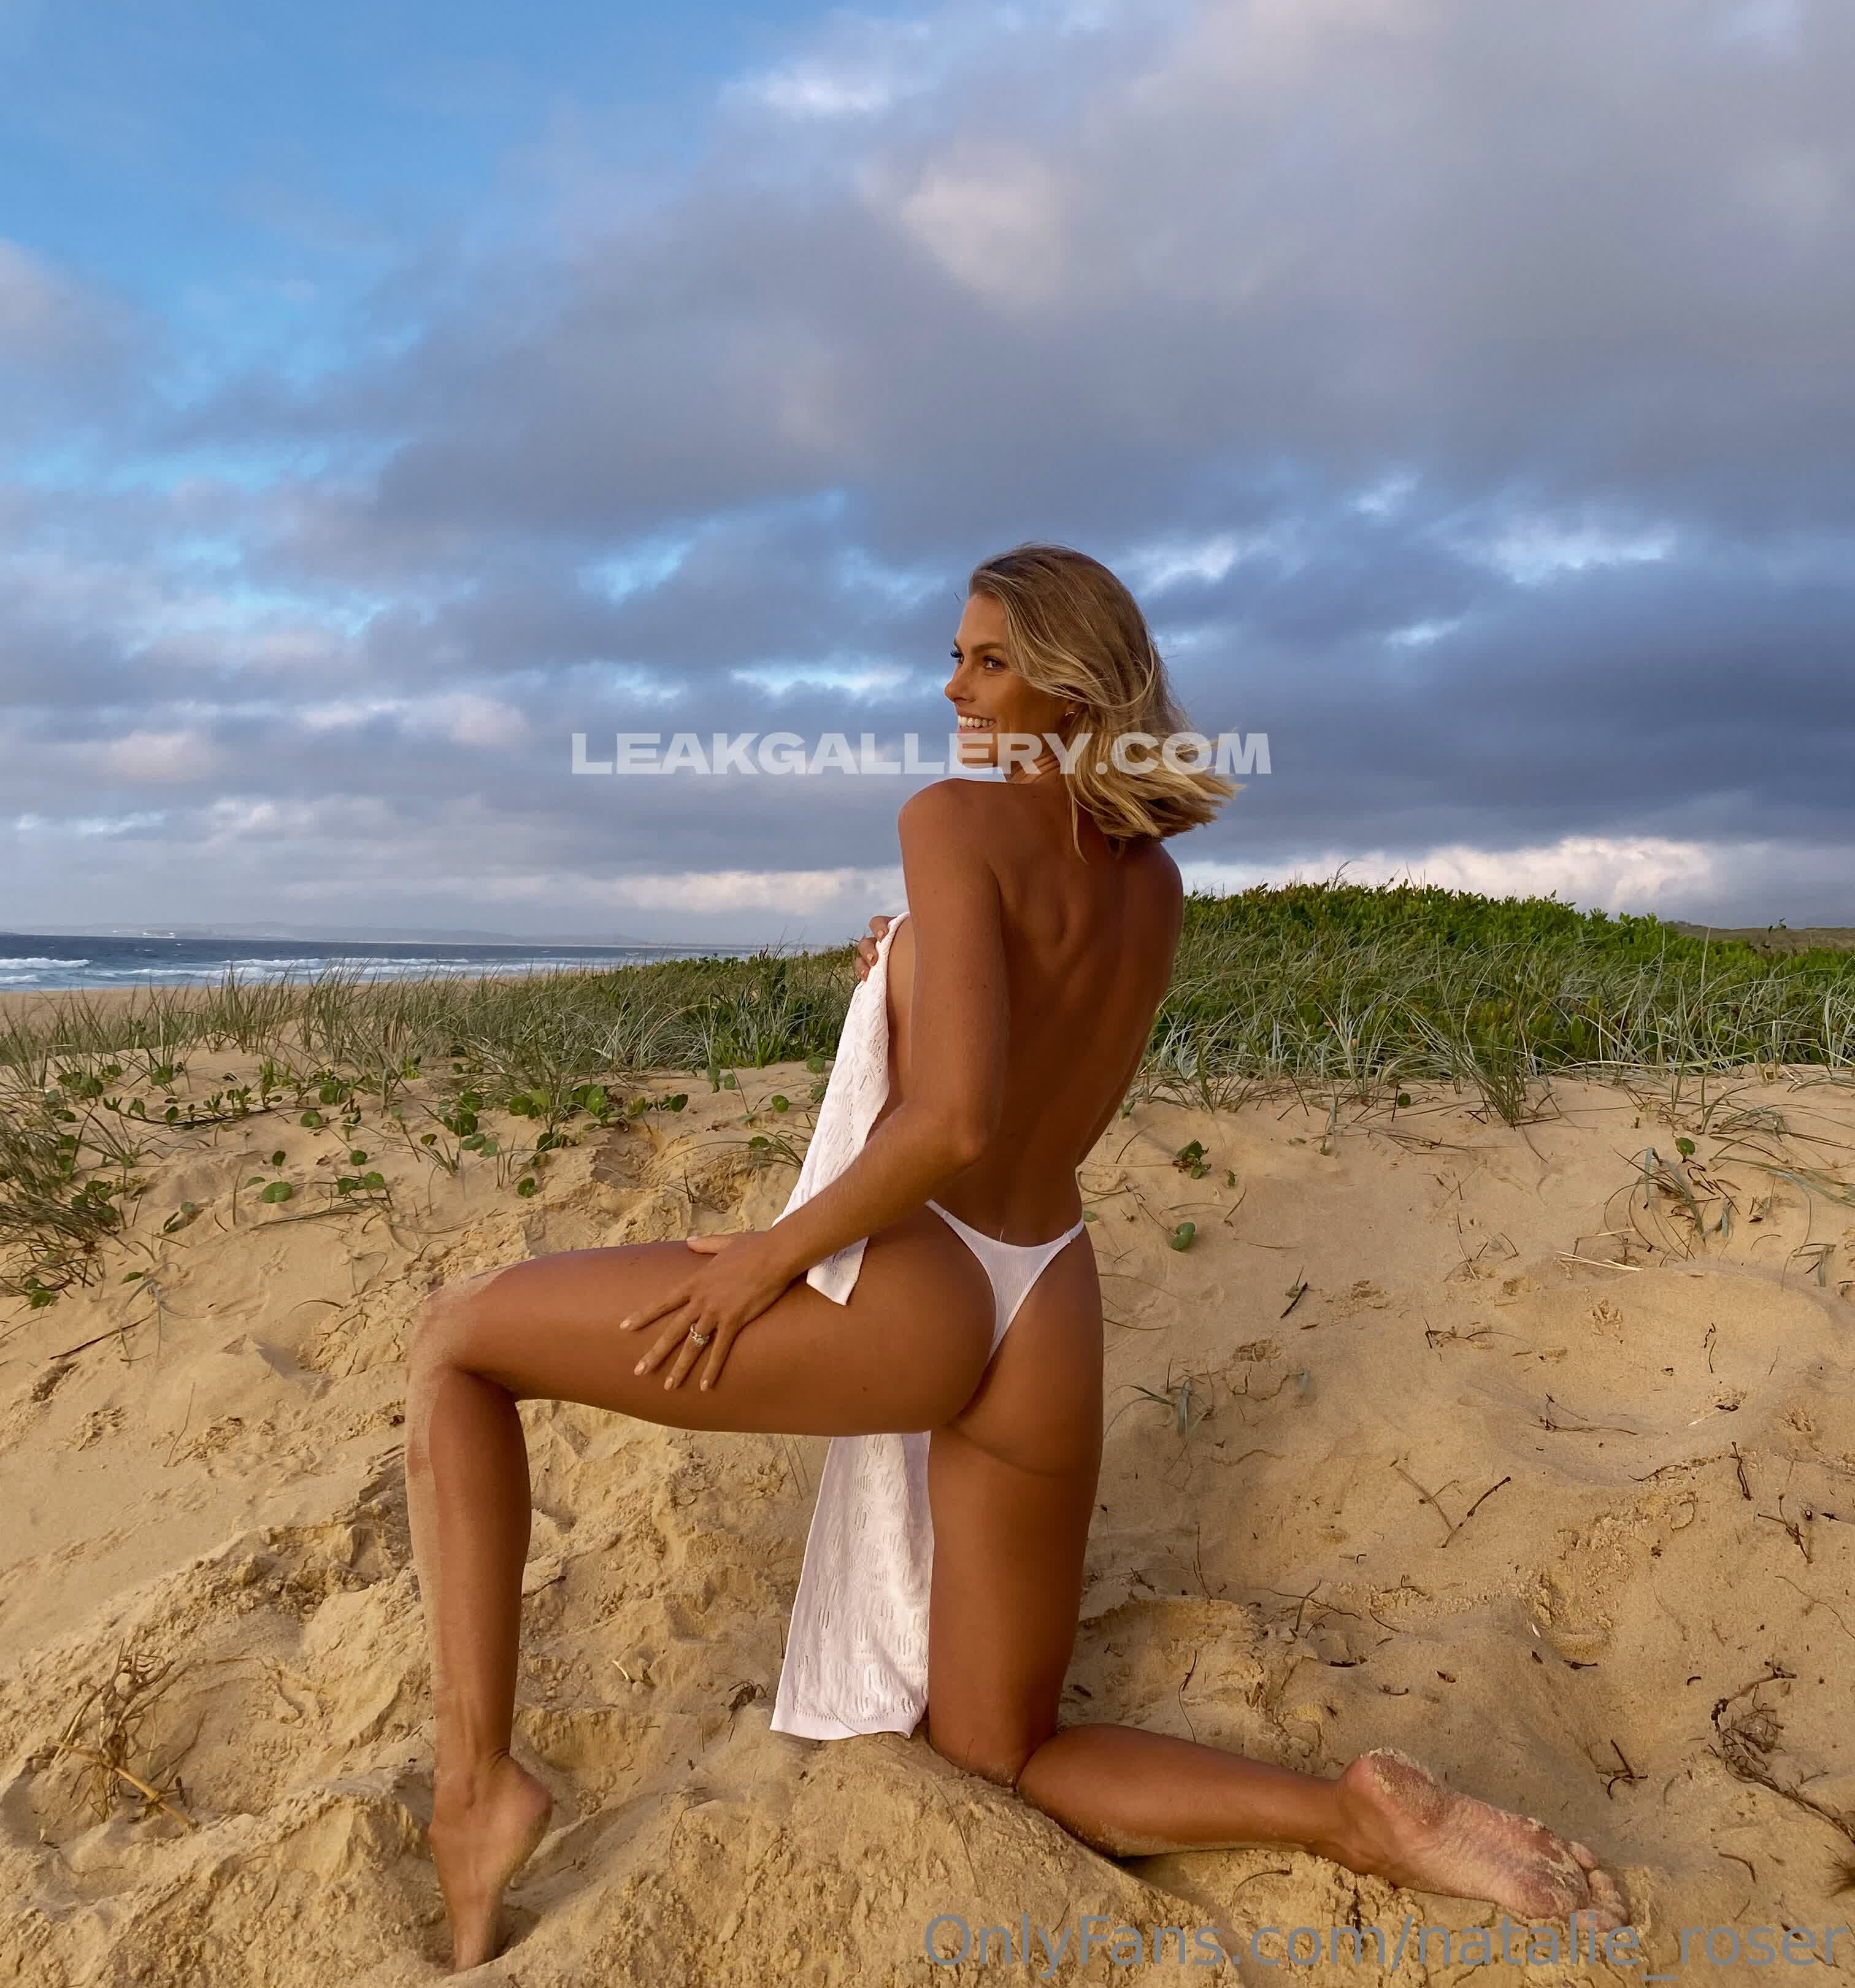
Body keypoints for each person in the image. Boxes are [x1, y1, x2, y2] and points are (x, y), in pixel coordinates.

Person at [403, 542, 1629, 1970]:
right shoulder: (1154, 886)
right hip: (1046, 1299)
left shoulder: (952, 819)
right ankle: (1347, 1820)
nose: (955, 688)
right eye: (958, 657)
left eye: (989, 661)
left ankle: (476, 1790)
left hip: (918, 1287)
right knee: (1001, 1751)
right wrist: (912, 961)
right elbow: (1047, 1089)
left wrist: (767, 1259)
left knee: (457, 1342)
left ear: (1072, 685)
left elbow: (953, 1121)